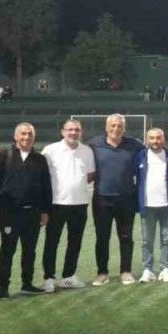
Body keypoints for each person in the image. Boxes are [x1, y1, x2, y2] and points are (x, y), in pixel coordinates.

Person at [0, 122, 53, 298]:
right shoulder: (3, 156)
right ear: (15, 136)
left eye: (30, 134)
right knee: (7, 250)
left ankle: (27, 284)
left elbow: (46, 187)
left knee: (29, 251)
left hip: (32, 213)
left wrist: (45, 211)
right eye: (23, 134)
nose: (26, 137)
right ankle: (3, 288)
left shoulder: (40, 159)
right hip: (9, 213)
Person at [89, 114, 145, 286]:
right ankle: (102, 273)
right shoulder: (94, 144)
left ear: (124, 128)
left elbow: (152, 155)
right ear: (106, 127)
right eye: (113, 125)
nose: (116, 129)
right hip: (101, 199)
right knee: (102, 237)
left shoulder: (135, 145)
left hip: (126, 199)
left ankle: (126, 271)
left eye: (119, 126)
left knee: (126, 237)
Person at [41, 119, 96, 292]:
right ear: (62, 131)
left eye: (77, 130)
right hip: (56, 203)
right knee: (52, 242)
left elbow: (90, 175)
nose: (73, 133)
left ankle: (68, 276)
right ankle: (49, 278)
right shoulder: (50, 150)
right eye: (70, 129)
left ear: (81, 132)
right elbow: (42, 176)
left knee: (75, 242)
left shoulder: (87, 151)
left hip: (80, 204)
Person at [134, 127, 168, 283]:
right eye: (152, 138)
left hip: (167, 206)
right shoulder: (140, 157)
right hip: (147, 206)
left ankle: (165, 269)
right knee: (146, 241)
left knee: (166, 239)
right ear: (147, 140)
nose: (155, 141)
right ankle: (148, 269)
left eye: (159, 138)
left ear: (164, 139)